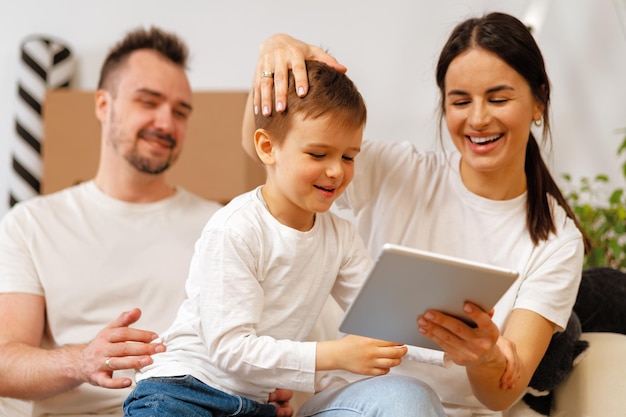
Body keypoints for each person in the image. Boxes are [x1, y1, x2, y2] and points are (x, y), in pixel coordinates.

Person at [243, 12, 587, 417]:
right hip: (354, 404)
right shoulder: (396, 172)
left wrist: (484, 356)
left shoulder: (556, 241)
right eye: (460, 101)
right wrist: (275, 51)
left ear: (538, 103)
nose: (477, 119)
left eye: (498, 98)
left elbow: (500, 395)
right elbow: (262, 150)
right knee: (405, 397)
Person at [0, 27, 294, 417]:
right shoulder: (31, 224)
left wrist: (269, 383)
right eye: (148, 102)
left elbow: (254, 342)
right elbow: (5, 364)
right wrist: (82, 360)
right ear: (104, 105)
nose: (166, 124)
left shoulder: (224, 224)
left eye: (180, 111)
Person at [123, 59, 444, 417]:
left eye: (349, 156)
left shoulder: (340, 237)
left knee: (407, 398)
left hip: (256, 405)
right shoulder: (235, 228)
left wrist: (455, 345)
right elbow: (230, 349)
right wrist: (335, 355)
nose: (336, 170)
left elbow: (384, 317)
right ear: (267, 147)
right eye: (318, 154)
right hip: (183, 390)